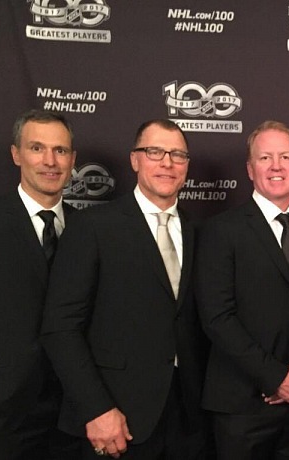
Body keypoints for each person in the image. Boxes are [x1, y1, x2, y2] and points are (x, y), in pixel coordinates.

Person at [40, 119, 207, 459]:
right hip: (117, 419)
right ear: (134, 159)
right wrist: (96, 409)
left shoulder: (200, 232)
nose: (167, 163)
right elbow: (61, 328)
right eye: (155, 151)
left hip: (188, 419)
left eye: (177, 154)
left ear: (187, 165)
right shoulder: (93, 227)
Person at [194, 120, 289, 459]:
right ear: (250, 169)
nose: (276, 166)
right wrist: (276, 377)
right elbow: (217, 318)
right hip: (242, 406)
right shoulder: (220, 231)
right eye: (265, 158)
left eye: (285, 157)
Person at [0, 109, 79, 459]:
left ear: (73, 159)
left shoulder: (91, 230)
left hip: (73, 416)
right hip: (1, 418)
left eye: (60, 150)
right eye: (37, 148)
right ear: (16, 154)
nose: (50, 161)